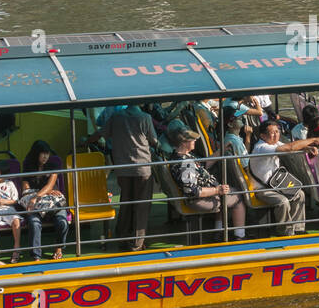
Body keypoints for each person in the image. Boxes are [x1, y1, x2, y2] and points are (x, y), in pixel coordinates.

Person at [170, 128, 247, 239]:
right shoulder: (186, 164)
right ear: (183, 143)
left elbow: (203, 165)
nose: (195, 141)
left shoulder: (180, 156)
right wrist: (217, 190)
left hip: (203, 195)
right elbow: (193, 191)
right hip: (196, 201)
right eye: (192, 139)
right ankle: (240, 237)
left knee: (229, 192)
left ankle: (218, 231)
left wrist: (221, 150)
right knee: (238, 197)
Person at [249, 121, 319, 236]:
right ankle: (284, 231)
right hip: (262, 189)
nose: (276, 135)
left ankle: (298, 228)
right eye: (272, 133)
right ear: (262, 136)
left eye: (277, 131)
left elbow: (291, 148)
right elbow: (290, 147)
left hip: (276, 185)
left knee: (300, 194)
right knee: (283, 201)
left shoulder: (275, 143)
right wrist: (313, 140)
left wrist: (307, 148)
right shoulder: (261, 147)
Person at [102, 104, 159, 251]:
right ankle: (136, 243)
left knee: (126, 203)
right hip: (142, 168)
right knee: (142, 207)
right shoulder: (145, 118)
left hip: (123, 168)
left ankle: (122, 237)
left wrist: (85, 142)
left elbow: (104, 133)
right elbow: (154, 140)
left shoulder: (116, 117)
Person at [20, 140, 70, 260]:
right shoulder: (28, 166)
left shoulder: (53, 165)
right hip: (36, 204)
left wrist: (37, 195)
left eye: (47, 154)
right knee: (34, 223)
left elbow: (50, 185)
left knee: (62, 222)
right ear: (36, 154)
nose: (45, 157)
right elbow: (25, 188)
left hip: (52, 201)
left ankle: (59, 248)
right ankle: (36, 255)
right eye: (42, 154)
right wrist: (44, 192)